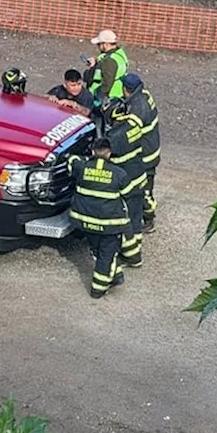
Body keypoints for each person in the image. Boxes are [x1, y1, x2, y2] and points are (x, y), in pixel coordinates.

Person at [68, 138, 132, 298]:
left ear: (92, 152)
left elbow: (71, 161)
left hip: (86, 222)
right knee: (106, 254)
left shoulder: (82, 167)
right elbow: (129, 193)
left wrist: (82, 159)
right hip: (109, 224)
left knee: (99, 251)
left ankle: (117, 276)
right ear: (109, 153)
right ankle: (98, 289)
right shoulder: (119, 174)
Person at [103, 99, 146, 269]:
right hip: (139, 177)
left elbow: (105, 156)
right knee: (136, 217)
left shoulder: (113, 136)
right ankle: (136, 250)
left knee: (125, 221)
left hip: (126, 183)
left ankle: (132, 256)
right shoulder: (133, 124)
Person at [121, 74, 160, 232]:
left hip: (145, 156)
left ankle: (149, 220)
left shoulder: (137, 108)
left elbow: (130, 132)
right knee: (145, 188)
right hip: (151, 149)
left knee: (144, 190)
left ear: (126, 89)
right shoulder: (144, 94)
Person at [84, 29, 129, 113]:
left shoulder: (109, 61)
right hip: (117, 95)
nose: (98, 47)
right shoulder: (120, 54)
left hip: (107, 99)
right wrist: (96, 61)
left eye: (99, 44)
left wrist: (97, 97)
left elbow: (107, 84)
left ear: (105, 44)